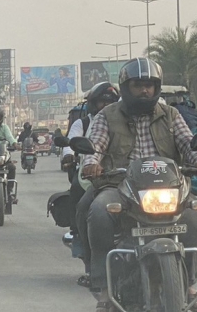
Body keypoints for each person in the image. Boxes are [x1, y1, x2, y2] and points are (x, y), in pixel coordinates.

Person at [80, 58, 197, 312]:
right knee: (98, 210)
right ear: (125, 87)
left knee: (194, 219)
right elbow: (95, 145)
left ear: (157, 88)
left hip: (167, 188)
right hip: (120, 186)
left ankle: (190, 287)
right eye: (138, 85)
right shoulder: (106, 116)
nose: (145, 91)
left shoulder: (171, 115)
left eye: (150, 86)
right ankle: (105, 290)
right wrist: (91, 163)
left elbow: (189, 143)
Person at [64, 81, 120, 288]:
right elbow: (79, 144)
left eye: (110, 102)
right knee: (82, 208)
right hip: (99, 179)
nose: (105, 107)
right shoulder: (87, 124)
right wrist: (71, 156)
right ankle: (92, 266)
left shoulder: (127, 119)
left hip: (132, 179)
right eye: (101, 103)